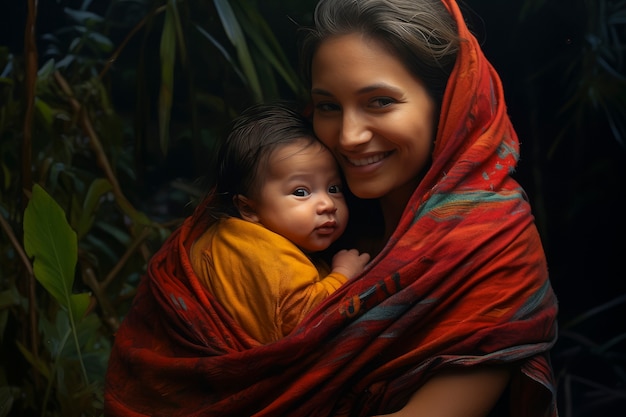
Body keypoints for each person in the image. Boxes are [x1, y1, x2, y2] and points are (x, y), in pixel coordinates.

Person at [104, 1, 559, 416]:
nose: (347, 136)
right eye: (327, 106)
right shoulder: (291, 212)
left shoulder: (491, 249)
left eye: (379, 102)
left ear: (449, 105)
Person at [189, 102, 370, 344]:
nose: (328, 204)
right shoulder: (269, 253)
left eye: (333, 188)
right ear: (248, 208)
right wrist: (343, 275)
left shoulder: (218, 238)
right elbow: (307, 320)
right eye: (301, 192)